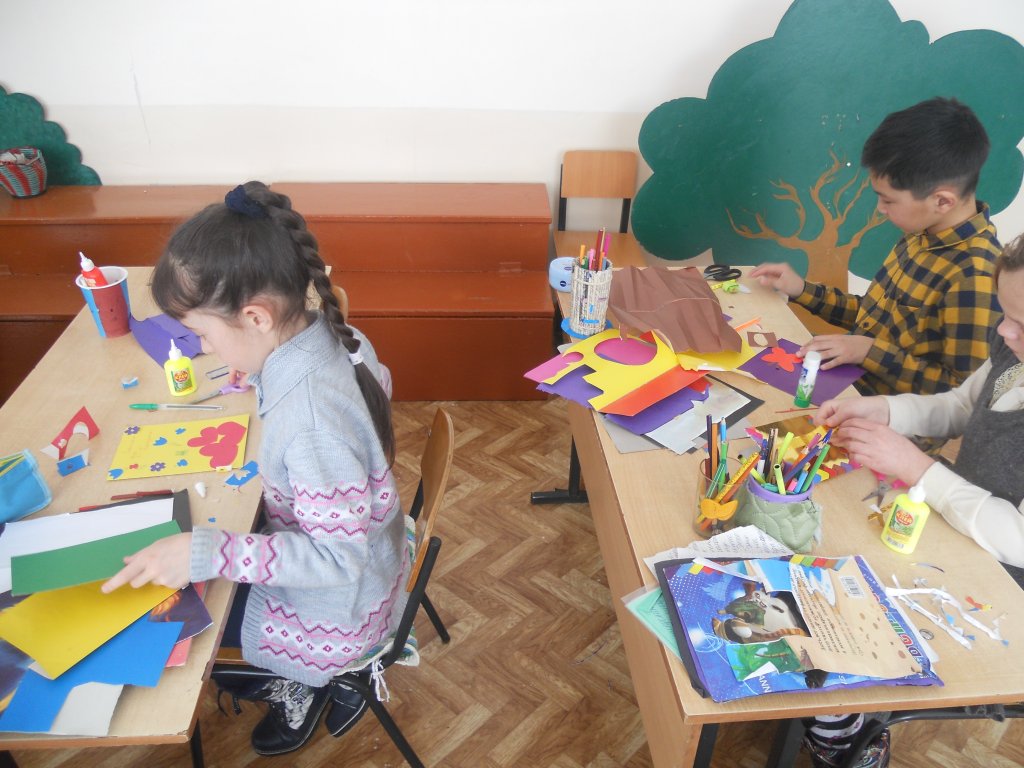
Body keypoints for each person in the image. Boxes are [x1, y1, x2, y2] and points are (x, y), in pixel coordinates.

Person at [101, 181, 412, 756]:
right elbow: (375, 388)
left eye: (202, 334)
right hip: (365, 548)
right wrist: (266, 372)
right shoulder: (333, 335)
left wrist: (208, 552)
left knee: (193, 624)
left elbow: (336, 561)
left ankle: (302, 682)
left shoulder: (312, 424)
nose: (204, 348)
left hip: (341, 603)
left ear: (256, 317)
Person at [801, 234, 1024, 768]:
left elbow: (1018, 540)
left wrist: (919, 468)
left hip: (1004, 580)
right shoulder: (1012, 348)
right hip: (954, 521)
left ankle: (847, 736)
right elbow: (961, 405)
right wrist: (884, 410)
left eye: (1021, 322)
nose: (1003, 330)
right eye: (1005, 313)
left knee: (845, 619)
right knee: (817, 562)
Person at [751, 97, 1001, 399]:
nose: (881, 209)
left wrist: (869, 351)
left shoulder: (976, 276)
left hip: (886, 415)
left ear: (942, 201)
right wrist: (802, 289)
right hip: (846, 386)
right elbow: (873, 318)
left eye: (888, 200)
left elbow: (963, 394)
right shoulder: (920, 233)